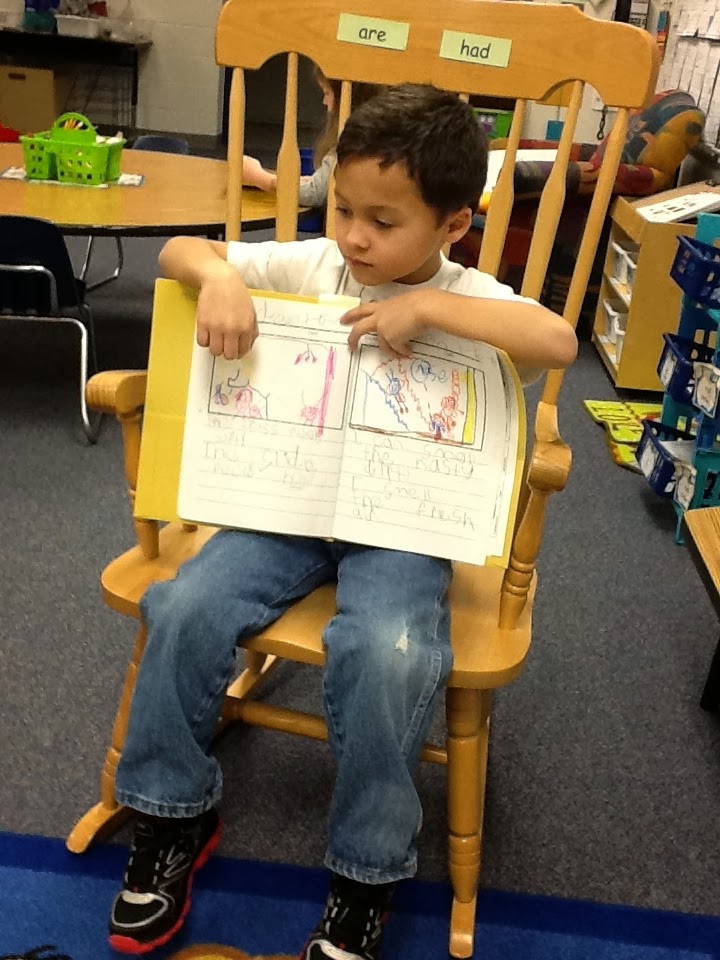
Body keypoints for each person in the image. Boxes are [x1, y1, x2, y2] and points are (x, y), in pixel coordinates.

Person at [107, 83, 578, 959]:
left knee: (387, 651)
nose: (354, 237)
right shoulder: (317, 265)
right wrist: (216, 276)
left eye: (383, 221)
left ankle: (365, 874)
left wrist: (430, 306)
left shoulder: (470, 288)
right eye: (345, 209)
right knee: (183, 608)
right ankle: (173, 815)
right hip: (283, 509)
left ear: (451, 228)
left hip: (402, 524)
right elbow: (177, 249)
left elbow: (558, 343)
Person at [242, 68, 380, 209]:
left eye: (327, 93)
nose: (324, 101)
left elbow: (313, 194)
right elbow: (323, 184)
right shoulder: (374, 132)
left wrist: (260, 178)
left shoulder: (353, 139)